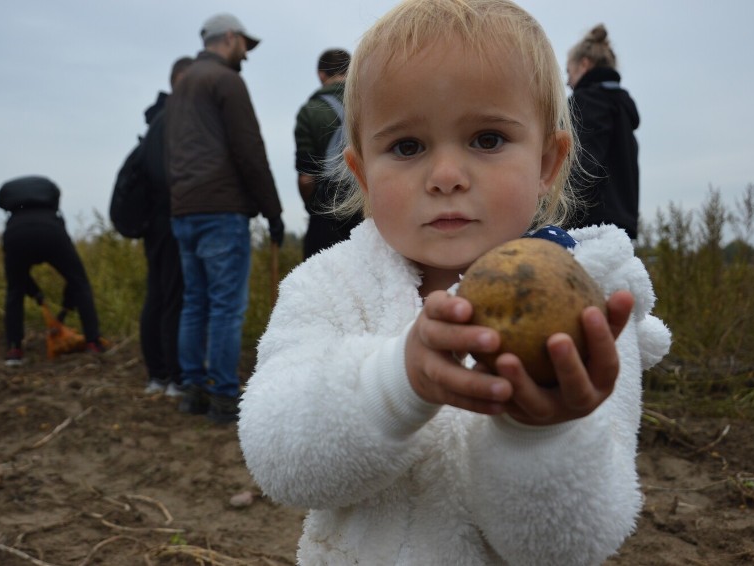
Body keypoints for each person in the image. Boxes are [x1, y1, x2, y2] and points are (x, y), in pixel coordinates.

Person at [238, 1, 671, 564]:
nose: (446, 177)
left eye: (487, 139)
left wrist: (540, 432)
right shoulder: (330, 285)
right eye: (408, 146)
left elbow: (568, 545)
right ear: (364, 173)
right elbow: (278, 460)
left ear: (547, 161)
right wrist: (396, 383)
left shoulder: (587, 301)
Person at [165, 13, 285, 423]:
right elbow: (249, 148)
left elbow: (173, 152)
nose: (246, 56)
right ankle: (223, 397)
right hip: (220, 210)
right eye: (244, 47)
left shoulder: (181, 88)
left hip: (184, 209)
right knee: (224, 307)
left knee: (195, 302)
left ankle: (193, 390)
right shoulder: (226, 81)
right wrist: (273, 209)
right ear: (230, 37)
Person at [0, 175, 107, 366]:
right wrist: (63, 303)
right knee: (80, 283)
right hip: (51, 232)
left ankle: (14, 348)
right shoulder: (51, 211)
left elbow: (18, 278)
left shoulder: (14, 218)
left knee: (14, 291)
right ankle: (93, 342)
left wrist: (34, 292)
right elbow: (75, 280)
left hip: (16, 235)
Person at [139, 55, 193, 397]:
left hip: (153, 220)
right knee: (174, 297)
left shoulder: (154, 119)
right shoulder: (175, 116)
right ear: (179, 80)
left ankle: (157, 375)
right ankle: (173, 377)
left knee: (158, 295)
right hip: (172, 216)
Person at [564, 24, 640, 240]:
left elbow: (583, 163)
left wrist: (556, 214)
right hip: (622, 226)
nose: (567, 82)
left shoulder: (586, 102)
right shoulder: (623, 111)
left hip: (587, 226)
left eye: (568, 71)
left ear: (584, 65)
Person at [294, 48, 361, 259]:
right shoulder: (368, 105)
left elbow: (306, 179)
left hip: (326, 214)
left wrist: (314, 208)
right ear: (352, 72)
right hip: (368, 212)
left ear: (321, 74)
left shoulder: (309, 111)